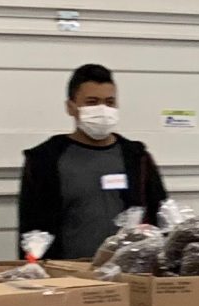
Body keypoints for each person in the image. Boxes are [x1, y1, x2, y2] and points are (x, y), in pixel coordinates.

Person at [15, 63, 168, 264]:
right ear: (70, 107)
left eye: (109, 102)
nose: (102, 110)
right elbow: (30, 228)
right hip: (68, 273)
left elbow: (161, 215)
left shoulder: (137, 157)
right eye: (92, 102)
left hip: (129, 272)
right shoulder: (44, 159)